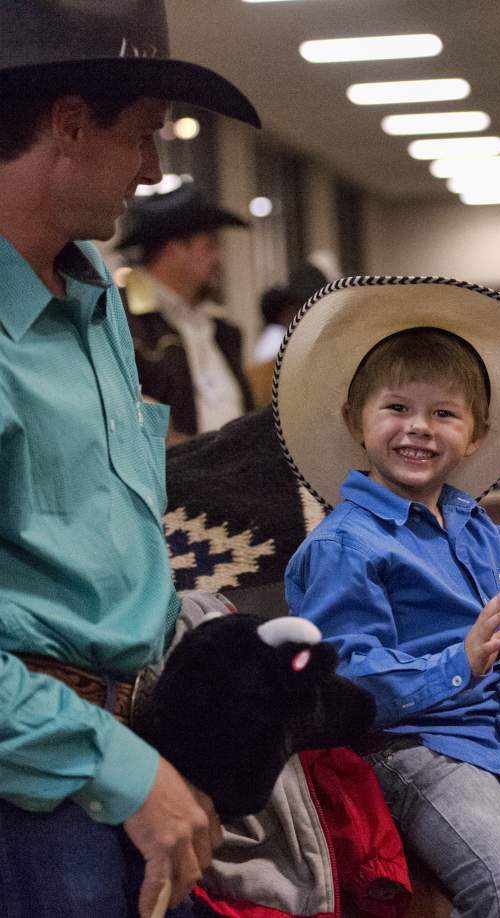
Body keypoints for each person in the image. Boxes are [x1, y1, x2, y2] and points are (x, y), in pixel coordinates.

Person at [0, 2, 259, 916]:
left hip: (130, 752)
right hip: (32, 786)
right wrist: (110, 764)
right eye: (144, 136)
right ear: (69, 124)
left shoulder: (93, 296)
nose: (154, 171)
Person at [275, 275, 500, 917]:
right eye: (397, 409)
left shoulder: (474, 529)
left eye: (443, 413)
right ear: (355, 420)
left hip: (489, 737)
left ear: (473, 435)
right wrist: (459, 662)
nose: (419, 428)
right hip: (413, 746)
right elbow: (342, 681)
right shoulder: (346, 546)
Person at [118, 184, 254, 443]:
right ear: (174, 249)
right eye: (209, 246)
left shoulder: (223, 330)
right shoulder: (122, 320)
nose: (218, 258)